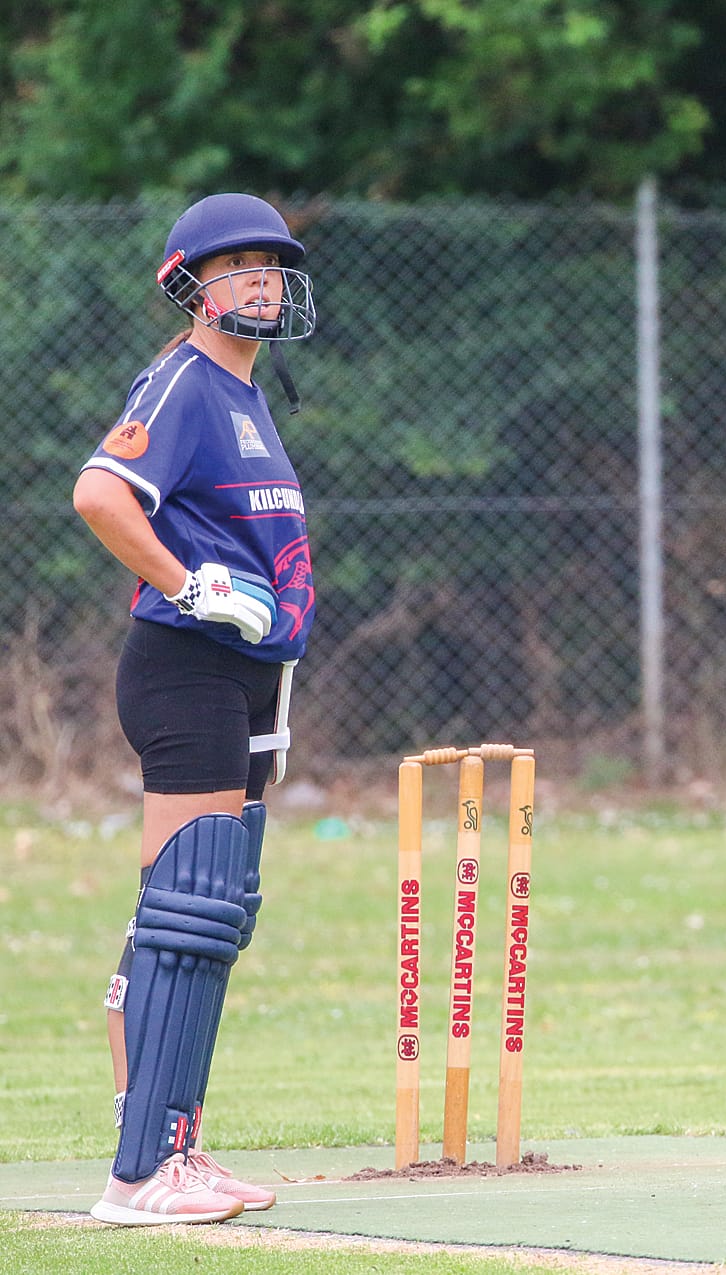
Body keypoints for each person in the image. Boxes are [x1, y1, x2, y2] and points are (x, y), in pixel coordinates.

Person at [73, 193, 317, 1225]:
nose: (260, 282)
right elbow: (99, 493)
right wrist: (185, 583)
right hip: (185, 666)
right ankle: (140, 1175)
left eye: (270, 266)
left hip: (247, 677)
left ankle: (175, 1142)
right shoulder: (180, 382)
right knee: (184, 909)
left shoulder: (246, 394)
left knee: (208, 916)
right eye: (237, 266)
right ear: (189, 283)